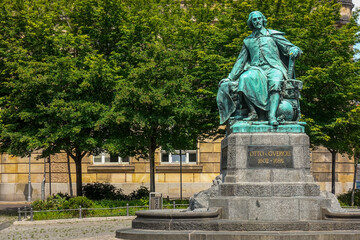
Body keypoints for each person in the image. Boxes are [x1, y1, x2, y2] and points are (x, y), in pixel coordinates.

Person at [217, 11, 302, 126]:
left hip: (274, 67)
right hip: (257, 69)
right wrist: (230, 77)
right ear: (251, 23)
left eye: (259, 19)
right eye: (254, 20)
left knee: (275, 81)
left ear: (263, 20)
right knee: (245, 78)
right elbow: (240, 61)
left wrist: (294, 50)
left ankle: (272, 116)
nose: (257, 21)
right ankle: (253, 113)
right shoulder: (247, 41)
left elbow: (290, 48)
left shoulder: (272, 35)